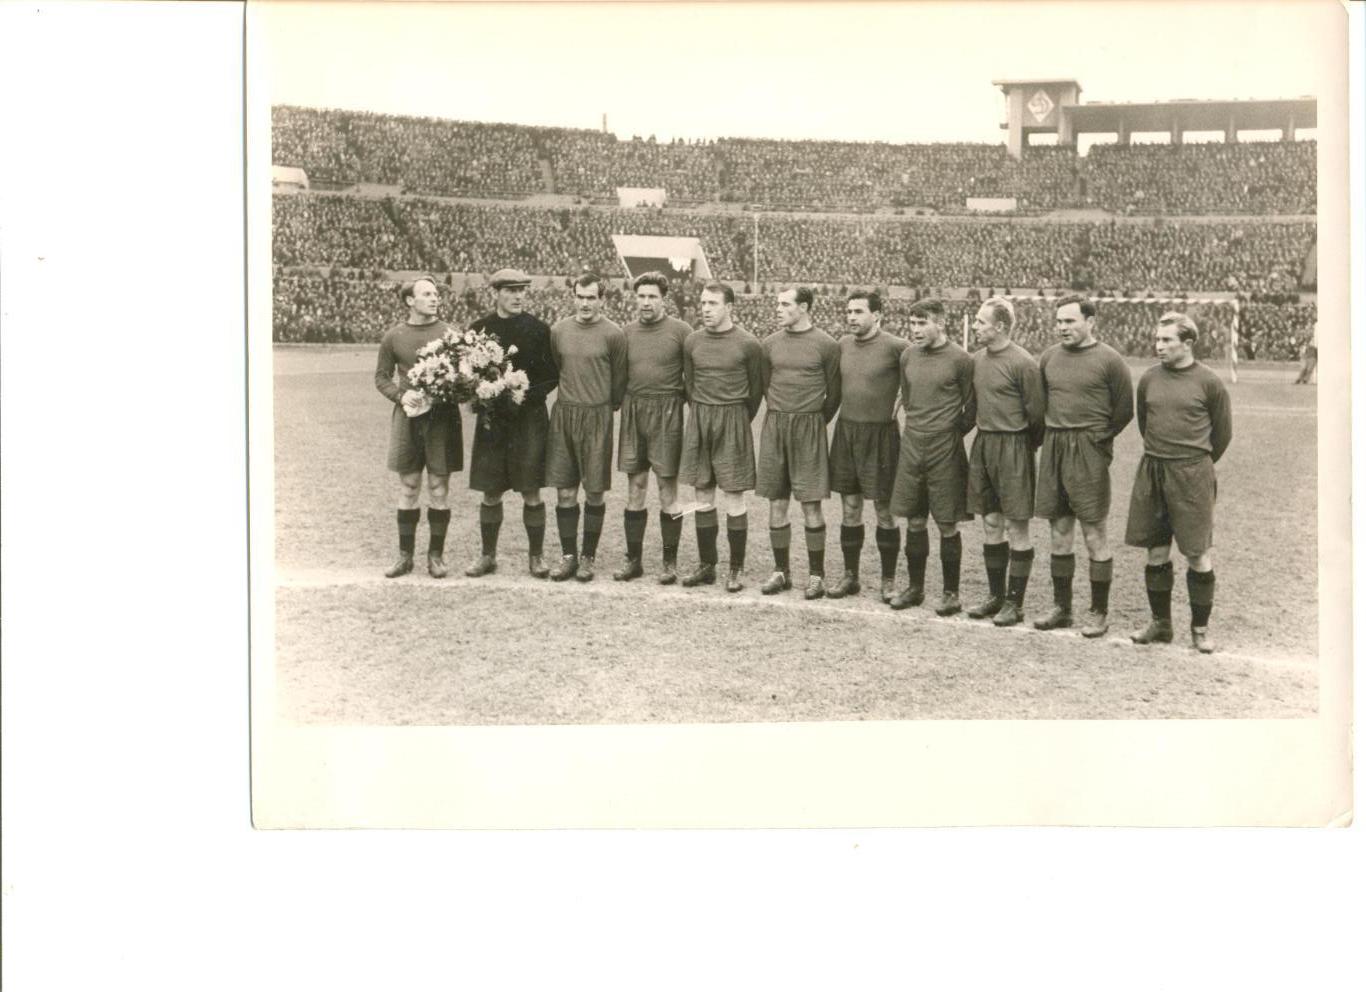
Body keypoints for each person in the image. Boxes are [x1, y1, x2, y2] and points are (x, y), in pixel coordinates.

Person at [1124, 312, 1233, 653]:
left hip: (1192, 473)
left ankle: (1200, 629)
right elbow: (1145, 422)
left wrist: (1194, 464)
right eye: (1157, 340)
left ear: (1187, 343)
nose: (1159, 346)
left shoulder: (1210, 382)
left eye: (1167, 340)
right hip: (1154, 469)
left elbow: (1222, 435)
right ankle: (1161, 624)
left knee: (1197, 553)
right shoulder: (1149, 379)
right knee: (1156, 550)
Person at [1034, 295, 1134, 637]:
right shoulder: (1048, 357)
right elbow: (1041, 402)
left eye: (1070, 321)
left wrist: (1098, 441)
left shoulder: (1110, 361)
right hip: (1055, 446)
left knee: (1094, 532)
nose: (1062, 327)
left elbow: (1124, 411)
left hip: (1088, 449)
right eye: (1059, 321)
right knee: (1059, 530)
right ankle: (1062, 608)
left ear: (1090, 322)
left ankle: (1098, 612)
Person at [463, 268, 560, 579]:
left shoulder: (538, 329)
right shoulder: (479, 329)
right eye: (511, 290)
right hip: (493, 421)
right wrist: (485, 394)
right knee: (491, 491)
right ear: (497, 293)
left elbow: (551, 376)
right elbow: (466, 375)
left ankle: (536, 557)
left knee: (531, 490)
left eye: (522, 290)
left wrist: (522, 393)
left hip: (529, 419)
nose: (518, 295)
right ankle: (487, 555)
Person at [887, 298, 976, 614]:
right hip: (913, 447)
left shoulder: (961, 360)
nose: (915, 330)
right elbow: (909, 401)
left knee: (947, 523)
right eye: (912, 323)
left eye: (922, 323)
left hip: (945, 449)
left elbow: (970, 409)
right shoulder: (908, 356)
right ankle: (915, 588)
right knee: (914, 519)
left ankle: (951, 593)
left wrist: (949, 435)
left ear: (940, 323)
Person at [372, 275, 462, 578]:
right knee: (409, 485)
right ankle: (404, 556)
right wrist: (401, 394)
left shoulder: (451, 334)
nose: (435, 298)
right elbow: (381, 377)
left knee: (439, 486)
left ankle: (436, 557)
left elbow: (464, 379)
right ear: (410, 300)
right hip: (408, 420)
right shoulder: (394, 336)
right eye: (427, 294)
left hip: (442, 421)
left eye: (436, 293)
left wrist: (453, 388)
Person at [677, 282, 764, 591]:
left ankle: (736, 569)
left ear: (729, 307)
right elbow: (689, 383)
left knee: (734, 496)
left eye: (713, 303)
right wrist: (703, 411)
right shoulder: (692, 341)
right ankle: (707, 565)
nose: (706, 308)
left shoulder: (749, 344)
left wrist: (737, 418)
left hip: (733, 419)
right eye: (703, 302)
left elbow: (756, 391)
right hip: (701, 416)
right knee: (702, 494)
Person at [965, 297, 1045, 627]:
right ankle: (996, 596)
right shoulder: (976, 361)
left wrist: (1021, 449)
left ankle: (1015, 603)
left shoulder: (1024, 364)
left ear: (999, 327)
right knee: (991, 523)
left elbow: (1037, 415)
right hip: (984, 444)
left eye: (981, 323)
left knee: (1016, 525)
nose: (975, 327)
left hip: (1014, 446)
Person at [758, 287, 841, 599]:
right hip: (776, 425)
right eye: (777, 304)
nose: (778, 309)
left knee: (810, 503)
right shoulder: (769, 344)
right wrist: (783, 412)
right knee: (777, 502)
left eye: (785, 304)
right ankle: (781, 571)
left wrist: (815, 421)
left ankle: (816, 575)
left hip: (809, 427)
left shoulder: (827, 345)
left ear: (803, 307)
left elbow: (834, 394)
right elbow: (766, 385)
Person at [545, 272, 628, 581]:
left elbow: (619, 380)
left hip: (597, 417)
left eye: (591, 297)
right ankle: (568, 556)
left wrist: (604, 408)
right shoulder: (559, 331)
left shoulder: (614, 334)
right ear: (573, 297)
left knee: (594, 491)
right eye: (580, 296)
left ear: (601, 300)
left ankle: (588, 557)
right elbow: (556, 367)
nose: (584, 303)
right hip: (565, 415)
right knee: (565, 491)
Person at [827, 291, 909, 602]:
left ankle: (888, 581)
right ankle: (851, 576)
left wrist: (904, 400)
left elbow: (916, 374)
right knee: (850, 508)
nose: (851, 317)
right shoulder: (843, 345)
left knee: (885, 511)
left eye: (859, 311)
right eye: (848, 311)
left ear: (877, 315)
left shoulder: (897, 347)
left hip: (881, 436)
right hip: (848, 433)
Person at [613, 272, 692, 582]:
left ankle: (669, 563)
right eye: (641, 296)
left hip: (667, 413)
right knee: (635, 487)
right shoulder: (626, 332)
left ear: (664, 299)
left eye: (652, 297)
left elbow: (692, 377)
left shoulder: (682, 331)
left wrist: (677, 404)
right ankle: (633, 561)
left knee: (667, 489)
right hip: (634, 411)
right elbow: (619, 376)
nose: (646, 302)